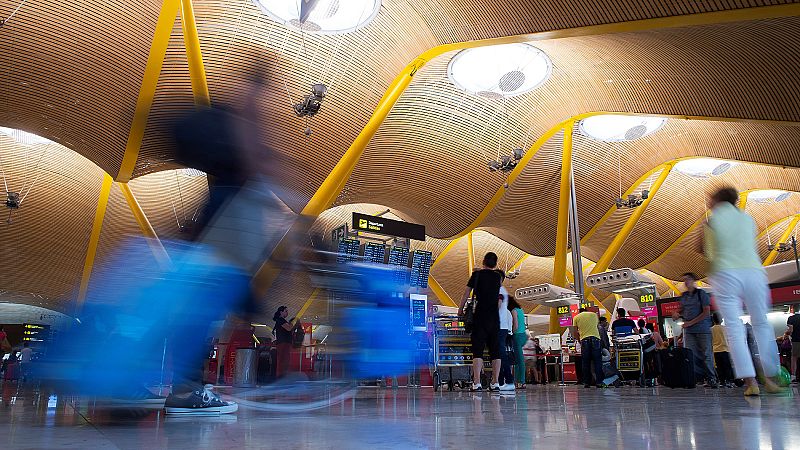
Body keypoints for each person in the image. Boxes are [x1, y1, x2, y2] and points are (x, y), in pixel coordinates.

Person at [703, 186, 783, 396]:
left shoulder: (713, 220)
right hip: (754, 272)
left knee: (734, 328)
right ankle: (772, 378)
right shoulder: (748, 219)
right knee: (761, 323)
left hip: (726, 273)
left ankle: (751, 383)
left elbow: (708, 252)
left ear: (717, 200)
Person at [459, 252, 504, 392]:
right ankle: (495, 382)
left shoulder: (476, 275)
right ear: (495, 264)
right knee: (495, 351)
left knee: (477, 351)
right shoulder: (498, 277)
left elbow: (466, 294)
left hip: (479, 317)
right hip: (494, 318)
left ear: (483, 261)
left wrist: (460, 310)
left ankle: (477, 383)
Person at [673, 272, 718, 388]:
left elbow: (706, 312)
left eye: (688, 279)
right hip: (689, 331)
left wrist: (690, 323)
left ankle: (711, 378)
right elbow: (681, 310)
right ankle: (697, 378)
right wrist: (677, 314)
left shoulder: (701, 294)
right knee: (691, 355)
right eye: (684, 280)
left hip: (702, 329)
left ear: (693, 281)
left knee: (706, 354)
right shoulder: (684, 296)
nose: (686, 282)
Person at [571, 308, 605, 388]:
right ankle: (599, 382)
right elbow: (597, 327)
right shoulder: (594, 315)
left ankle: (587, 382)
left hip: (584, 340)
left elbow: (575, 332)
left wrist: (579, 340)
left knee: (585, 362)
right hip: (595, 339)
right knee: (597, 361)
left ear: (579, 312)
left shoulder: (576, 317)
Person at [497, 287, 515, 393]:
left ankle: (508, 380)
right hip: (505, 331)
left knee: (500, 354)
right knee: (499, 355)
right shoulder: (507, 311)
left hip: (501, 329)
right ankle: (500, 381)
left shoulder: (499, 291)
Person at [710, 312, 734, 387]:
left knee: (719, 367)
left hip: (715, 351)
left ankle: (721, 382)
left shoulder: (711, 329)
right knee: (727, 366)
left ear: (713, 320)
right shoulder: (725, 328)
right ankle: (729, 381)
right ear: (721, 320)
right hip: (725, 350)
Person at [509, 296, 527, 389]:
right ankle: (518, 381)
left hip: (517, 336)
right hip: (523, 335)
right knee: (517, 360)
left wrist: (511, 332)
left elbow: (515, 325)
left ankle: (522, 381)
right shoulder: (520, 309)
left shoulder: (513, 311)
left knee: (519, 360)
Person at [273, 306, 293, 378]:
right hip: (284, 343)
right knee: (283, 361)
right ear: (281, 312)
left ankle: (282, 377)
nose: (287, 313)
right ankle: (281, 377)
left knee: (283, 361)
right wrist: (292, 323)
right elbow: (289, 328)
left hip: (283, 343)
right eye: (286, 311)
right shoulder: (280, 320)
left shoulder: (280, 320)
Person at [787, 309, 800, 382]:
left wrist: (788, 334)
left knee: (794, 358)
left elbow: (791, 329)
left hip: (796, 340)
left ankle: (793, 376)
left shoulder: (791, 318)